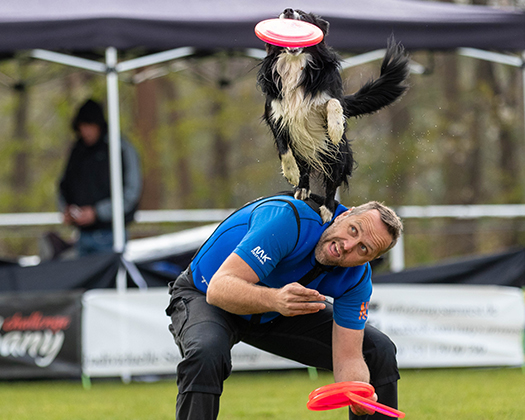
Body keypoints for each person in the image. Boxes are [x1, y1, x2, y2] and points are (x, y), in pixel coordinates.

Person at [166, 192, 403, 420]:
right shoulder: (290, 220)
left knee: (377, 350)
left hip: (275, 310)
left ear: (371, 260)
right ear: (343, 215)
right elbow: (219, 290)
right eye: (353, 229)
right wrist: (275, 300)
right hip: (206, 293)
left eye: (363, 248)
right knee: (206, 351)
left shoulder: (358, 278)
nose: (348, 245)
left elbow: (349, 358)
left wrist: (358, 393)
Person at [58, 99, 142, 256]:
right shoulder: (77, 151)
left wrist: (97, 213)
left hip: (111, 235)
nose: (86, 132)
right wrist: (66, 208)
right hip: (82, 235)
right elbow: (64, 184)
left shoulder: (121, 148)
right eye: (82, 127)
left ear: (99, 125)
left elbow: (131, 192)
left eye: (90, 126)